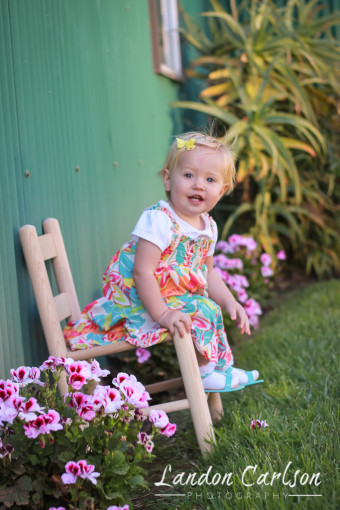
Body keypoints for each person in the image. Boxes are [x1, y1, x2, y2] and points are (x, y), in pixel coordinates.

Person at [64, 131, 263, 392]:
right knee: (203, 308)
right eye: (189, 175)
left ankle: (221, 368)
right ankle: (205, 373)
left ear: (222, 190)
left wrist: (230, 301)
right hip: (144, 301)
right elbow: (142, 272)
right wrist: (162, 314)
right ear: (168, 180)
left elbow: (209, 273)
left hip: (173, 299)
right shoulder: (159, 219)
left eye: (210, 179)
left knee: (210, 307)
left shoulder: (209, 227)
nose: (198, 185)